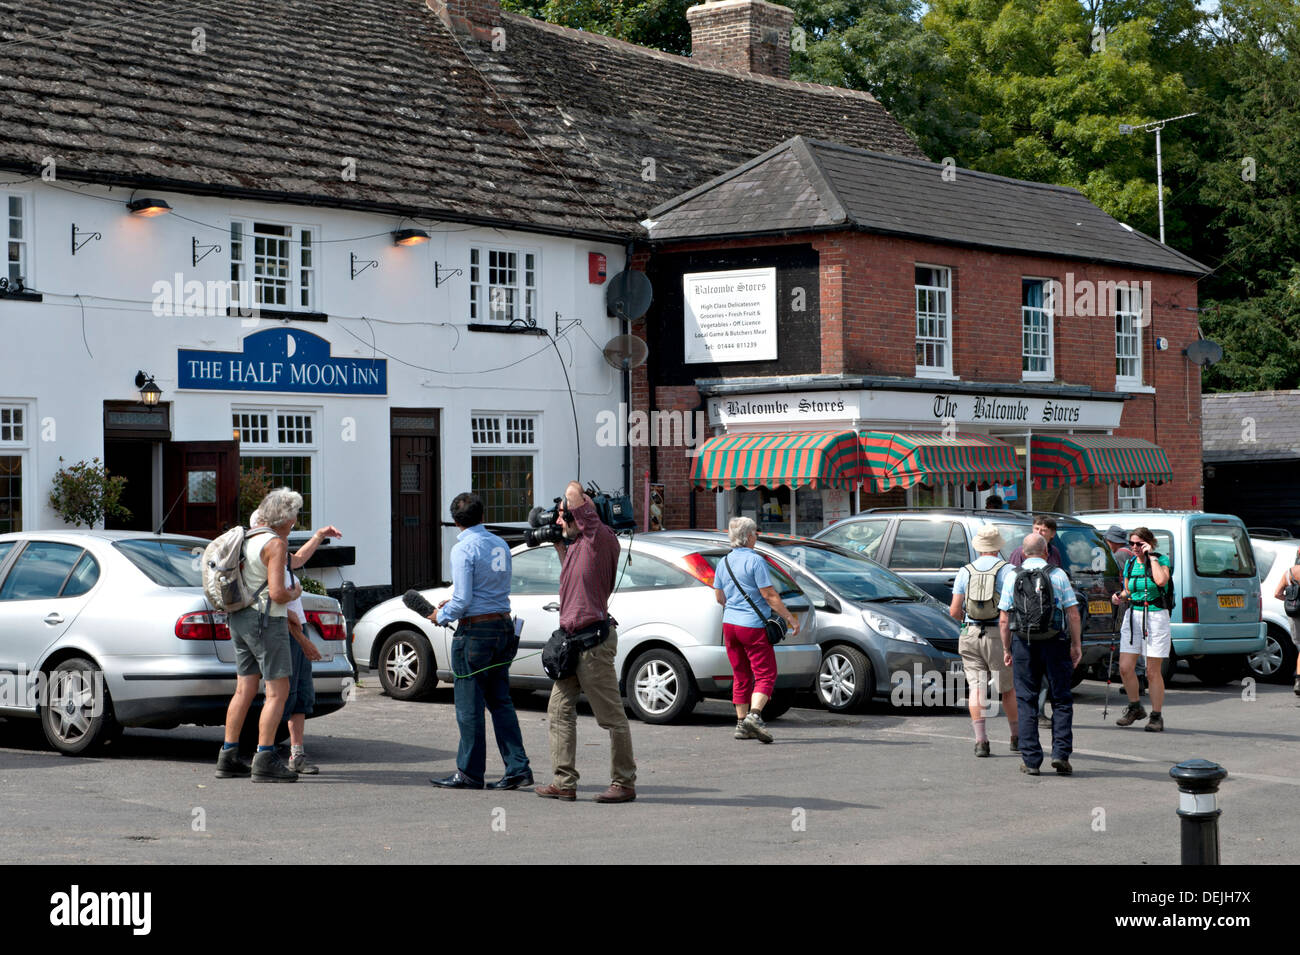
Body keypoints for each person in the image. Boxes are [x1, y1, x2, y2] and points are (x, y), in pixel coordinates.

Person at [422, 492, 531, 790]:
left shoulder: (463, 549)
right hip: (502, 625)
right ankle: (517, 766)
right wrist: (457, 602)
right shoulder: (500, 543)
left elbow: (464, 599)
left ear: (455, 521)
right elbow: (488, 588)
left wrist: (441, 615)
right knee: (501, 701)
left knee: (469, 706)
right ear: (483, 516)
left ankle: (470, 772)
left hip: (475, 632)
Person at [536, 481, 637, 803]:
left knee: (611, 717)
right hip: (571, 643)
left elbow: (574, 490)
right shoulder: (579, 544)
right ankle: (564, 782)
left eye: (561, 517)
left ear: (582, 515)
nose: (557, 522)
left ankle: (624, 782)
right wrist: (557, 542)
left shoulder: (599, 538)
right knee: (559, 711)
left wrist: (574, 497)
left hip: (593, 644)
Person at [215, 487, 304, 782]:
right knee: (278, 692)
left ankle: (228, 755)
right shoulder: (274, 544)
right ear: (284, 517)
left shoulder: (248, 537)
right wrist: (296, 591)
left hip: (239, 616)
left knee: (244, 689)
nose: (295, 522)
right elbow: (277, 593)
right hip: (266, 620)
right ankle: (264, 757)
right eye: (294, 517)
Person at [251, 509, 343, 775]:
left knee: (300, 696)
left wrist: (318, 536)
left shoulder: (280, 557)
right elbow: (277, 606)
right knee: (281, 697)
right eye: (284, 523)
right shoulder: (263, 560)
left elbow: (299, 559)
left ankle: (296, 754)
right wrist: (302, 637)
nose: (288, 526)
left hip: (295, 629)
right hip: (284, 631)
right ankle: (266, 755)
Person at [998, 533, 1082, 776]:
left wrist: (1006, 648)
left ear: (1023, 554)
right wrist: (1076, 645)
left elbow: (1004, 619)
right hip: (1055, 641)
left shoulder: (1012, 575)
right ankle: (1060, 754)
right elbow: (1073, 614)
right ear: (1046, 551)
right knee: (1062, 699)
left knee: (1026, 700)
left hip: (1023, 643)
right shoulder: (1057, 575)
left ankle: (1032, 760)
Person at [713, 517, 800, 743]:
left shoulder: (724, 562)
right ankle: (754, 716)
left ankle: (741, 725)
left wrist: (735, 607)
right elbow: (769, 595)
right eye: (755, 533)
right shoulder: (756, 561)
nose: (757, 536)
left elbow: (719, 597)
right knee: (765, 673)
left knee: (741, 674)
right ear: (749, 536)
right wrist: (790, 618)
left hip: (730, 625)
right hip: (751, 625)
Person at [949, 525, 1019, 756]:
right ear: (998, 546)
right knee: (1007, 689)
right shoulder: (1009, 570)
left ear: (978, 547)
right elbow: (1013, 607)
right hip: (998, 635)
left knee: (977, 689)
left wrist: (966, 621)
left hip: (970, 633)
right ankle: (1015, 737)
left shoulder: (965, 570)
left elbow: (954, 610)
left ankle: (981, 742)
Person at [1112, 527, 1173, 731]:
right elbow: (1128, 589)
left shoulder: (1161, 560)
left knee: (1152, 671)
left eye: (1139, 543)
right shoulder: (1130, 563)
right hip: (1133, 615)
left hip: (1155, 616)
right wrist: (1119, 596)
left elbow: (1161, 581)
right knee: (1125, 667)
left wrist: (1152, 557)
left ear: (1149, 543)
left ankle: (1156, 716)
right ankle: (1135, 707)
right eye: (1132, 543)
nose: (1135, 547)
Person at [1273, 547, 1300, 696]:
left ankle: (1298, 681)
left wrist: (1293, 601)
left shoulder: (1289, 573)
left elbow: (1277, 593)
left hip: (1295, 614)